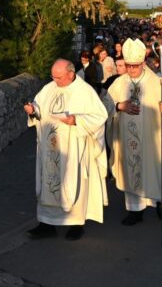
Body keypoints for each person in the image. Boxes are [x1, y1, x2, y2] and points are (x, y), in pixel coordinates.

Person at [23, 59, 109, 241]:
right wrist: (33, 111)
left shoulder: (84, 91)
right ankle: (46, 224)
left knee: (73, 182)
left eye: (59, 77)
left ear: (71, 74)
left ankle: (76, 224)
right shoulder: (49, 88)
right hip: (50, 148)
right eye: (53, 76)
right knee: (49, 183)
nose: (55, 81)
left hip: (73, 150)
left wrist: (77, 120)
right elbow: (39, 108)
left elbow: (100, 116)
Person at [107, 39, 162, 225]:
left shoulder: (157, 82)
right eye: (128, 65)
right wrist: (119, 106)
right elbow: (105, 105)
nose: (131, 69)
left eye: (135, 65)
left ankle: (160, 202)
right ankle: (135, 210)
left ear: (143, 63)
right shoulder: (119, 83)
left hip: (153, 138)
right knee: (131, 170)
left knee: (154, 169)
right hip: (127, 140)